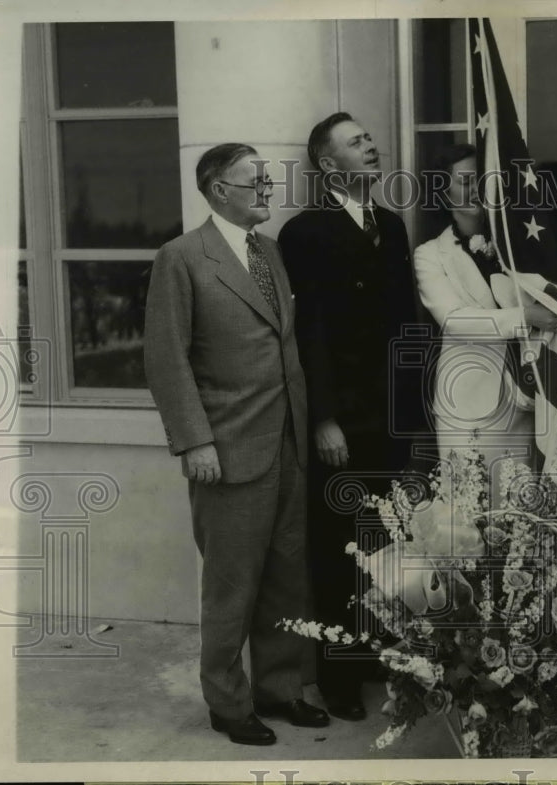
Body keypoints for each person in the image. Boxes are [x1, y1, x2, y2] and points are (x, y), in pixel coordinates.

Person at [144, 143, 328, 746]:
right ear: (220, 190)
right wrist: (195, 443)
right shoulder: (182, 257)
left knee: (285, 577)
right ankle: (228, 704)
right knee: (231, 585)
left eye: (269, 181)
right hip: (225, 452)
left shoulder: (269, 252)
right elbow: (167, 360)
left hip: (287, 444)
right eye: (257, 183)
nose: (269, 191)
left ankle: (280, 689)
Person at [278, 112, 424, 721]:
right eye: (356, 142)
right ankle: (337, 676)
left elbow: (407, 323)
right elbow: (307, 333)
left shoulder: (390, 226)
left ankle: (375, 655)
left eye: (370, 138)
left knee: (385, 542)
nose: (372, 146)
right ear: (328, 165)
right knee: (337, 546)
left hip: (392, 418)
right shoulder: (304, 233)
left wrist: (416, 414)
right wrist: (324, 419)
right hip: (341, 421)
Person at [412, 144, 557, 500]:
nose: (475, 189)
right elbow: (453, 320)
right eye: (464, 181)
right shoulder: (431, 255)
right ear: (443, 190)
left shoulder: (518, 246)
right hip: (468, 403)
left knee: (520, 512)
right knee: (470, 513)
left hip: (524, 400)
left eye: (481, 179)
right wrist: (524, 317)